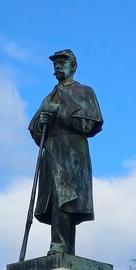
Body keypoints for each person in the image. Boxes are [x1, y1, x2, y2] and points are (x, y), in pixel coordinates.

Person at [28, 49, 103, 256]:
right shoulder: (49, 96)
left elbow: (89, 125)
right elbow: (34, 130)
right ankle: (62, 247)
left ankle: (62, 246)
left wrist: (58, 111)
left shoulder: (84, 92)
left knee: (66, 198)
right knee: (57, 198)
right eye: (55, 64)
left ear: (73, 66)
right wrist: (40, 124)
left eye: (62, 62)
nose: (58, 66)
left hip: (73, 151)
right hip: (52, 150)